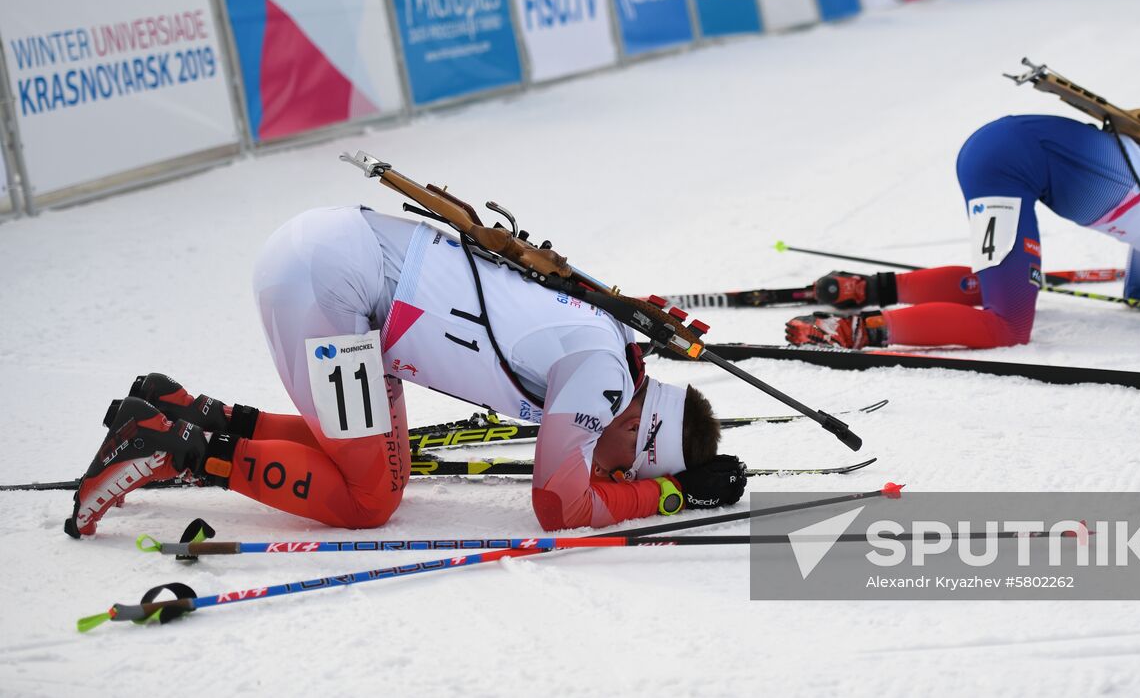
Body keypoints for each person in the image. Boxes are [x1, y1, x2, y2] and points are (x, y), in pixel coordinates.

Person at [67, 206, 746, 539]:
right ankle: (168, 449)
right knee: (367, 501)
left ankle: (184, 412)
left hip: (352, 277)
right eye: (629, 467)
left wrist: (659, 485)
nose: (617, 475)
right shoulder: (603, 382)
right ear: (642, 428)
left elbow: (577, 483)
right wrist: (667, 498)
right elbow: (559, 505)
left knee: (383, 474)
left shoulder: (617, 347)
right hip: (334, 285)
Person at [786, 114, 1140, 350]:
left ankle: (868, 291)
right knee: (1008, 326)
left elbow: (1139, 293)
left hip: (1003, 155)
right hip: (1011, 162)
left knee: (1006, 284)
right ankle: (861, 331)